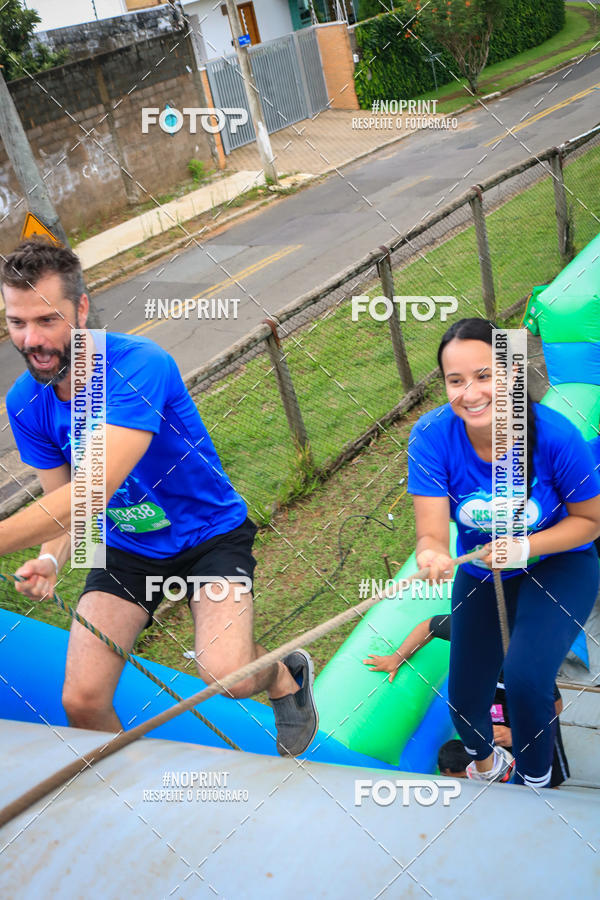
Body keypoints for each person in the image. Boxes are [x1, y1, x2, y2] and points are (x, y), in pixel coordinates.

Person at [0, 238, 318, 756]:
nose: (32, 339)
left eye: (47, 320)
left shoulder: (139, 364)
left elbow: (93, 489)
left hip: (207, 535)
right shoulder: (24, 402)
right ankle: (138, 804)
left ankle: (285, 675)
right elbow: (67, 512)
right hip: (126, 549)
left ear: (81, 309)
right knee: (81, 700)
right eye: (17, 323)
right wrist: (49, 559)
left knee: (230, 677)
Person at [403, 317, 600, 786]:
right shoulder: (430, 437)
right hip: (483, 572)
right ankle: (486, 765)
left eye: (485, 375)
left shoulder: (554, 435)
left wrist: (525, 545)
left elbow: (590, 521)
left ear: (511, 375)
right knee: (464, 696)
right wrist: (431, 553)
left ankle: (535, 779)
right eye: (456, 380)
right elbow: (431, 533)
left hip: (559, 562)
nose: (469, 393)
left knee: (526, 676)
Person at [364, 613, 570, 786]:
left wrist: (519, 735)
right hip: (493, 712)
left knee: (545, 774)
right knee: (493, 765)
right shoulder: (469, 629)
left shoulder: (525, 659)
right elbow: (429, 626)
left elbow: (554, 706)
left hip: (529, 719)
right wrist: (397, 658)